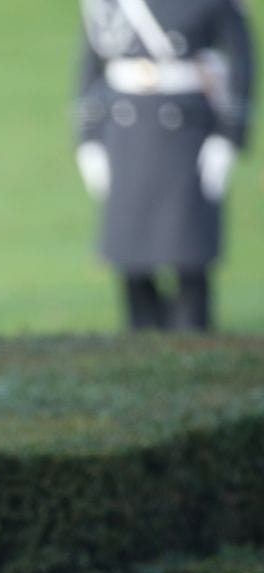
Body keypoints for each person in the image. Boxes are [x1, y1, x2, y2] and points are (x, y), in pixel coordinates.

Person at [74, 0, 254, 331]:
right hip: (126, 132)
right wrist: (88, 138)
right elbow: (91, 66)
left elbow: (240, 58)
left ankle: (192, 342)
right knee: (132, 260)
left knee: (189, 255)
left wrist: (229, 135)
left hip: (186, 133)